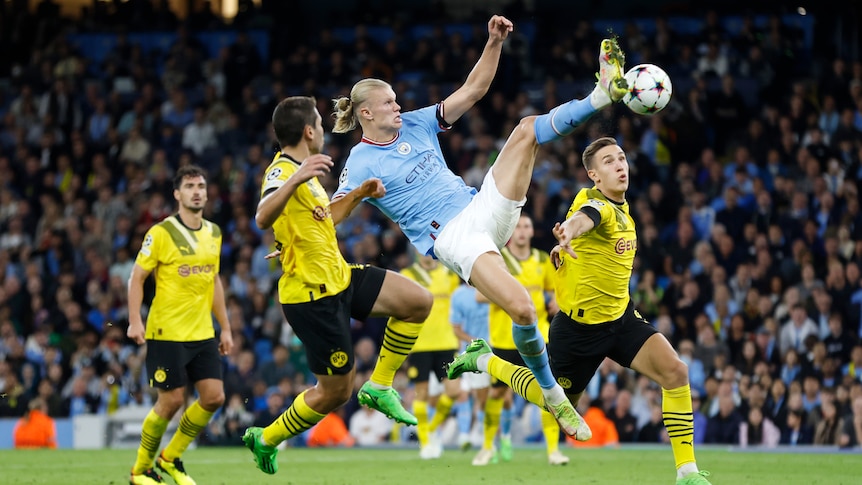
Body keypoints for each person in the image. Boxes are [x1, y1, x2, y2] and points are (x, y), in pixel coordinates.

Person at [332, 15, 628, 438]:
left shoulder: (416, 123)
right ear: (366, 113)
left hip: (481, 205)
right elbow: (335, 211)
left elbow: (473, 90)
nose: (398, 106)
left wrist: (493, 43)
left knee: (526, 129)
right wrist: (355, 197)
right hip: (453, 237)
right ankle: (555, 398)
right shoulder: (360, 162)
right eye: (390, 102)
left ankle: (600, 95)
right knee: (524, 309)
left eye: (397, 100)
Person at [448, 138, 712, 484]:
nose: (620, 165)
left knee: (676, 371)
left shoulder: (624, 210)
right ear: (594, 175)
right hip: (578, 331)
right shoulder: (594, 204)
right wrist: (567, 234)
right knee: (555, 406)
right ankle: (485, 360)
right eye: (608, 161)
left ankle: (687, 472)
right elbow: (583, 220)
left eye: (621, 157)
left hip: (620, 318)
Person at [242, 96, 433, 475]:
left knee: (417, 301)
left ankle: (379, 386)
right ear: (308, 131)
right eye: (319, 121)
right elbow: (263, 217)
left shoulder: (305, 174)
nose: (325, 129)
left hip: (339, 278)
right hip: (312, 299)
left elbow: (325, 219)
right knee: (336, 393)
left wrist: (359, 194)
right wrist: (296, 178)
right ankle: (265, 438)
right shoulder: (283, 172)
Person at [127, 164, 234, 485]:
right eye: (189, 186)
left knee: (214, 397)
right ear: (177, 194)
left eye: (201, 185)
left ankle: (171, 458)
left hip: (203, 332)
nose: (197, 191)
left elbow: (214, 281)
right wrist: (135, 320)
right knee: (171, 400)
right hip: (166, 332)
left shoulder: (214, 232)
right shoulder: (161, 233)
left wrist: (225, 327)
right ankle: (141, 470)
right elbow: (137, 277)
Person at [473, 214, 568, 466]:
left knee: (549, 393)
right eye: (518, 226)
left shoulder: (540, 259)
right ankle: (487, 448)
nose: (523, 231)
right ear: (511, 232)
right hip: (506, 339)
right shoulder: (498, 261)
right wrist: (506, 295)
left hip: (539, 336)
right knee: (496, 395)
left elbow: (556, 288)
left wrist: (556, 300)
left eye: (527, 226)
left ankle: (553, 451)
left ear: (532, 231)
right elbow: (479, 296)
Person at [399, 253, 461, 459]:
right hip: (420, 343)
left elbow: (456, 307)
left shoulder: (449, 274)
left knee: (453, 391)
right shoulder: (407, 275)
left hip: (447, 341)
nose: (424, 253)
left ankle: (431, 429)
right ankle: (425, 442)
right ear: (414, 251)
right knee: (421, 393)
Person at [449, 278, 491, 452]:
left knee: (482, 396)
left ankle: (479, 430)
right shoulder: (458, 295)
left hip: (491, 352)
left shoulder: (493, 290)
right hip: (467, 352)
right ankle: (465, 435)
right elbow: (456, 329)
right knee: (463, 393)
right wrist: (473, 342)